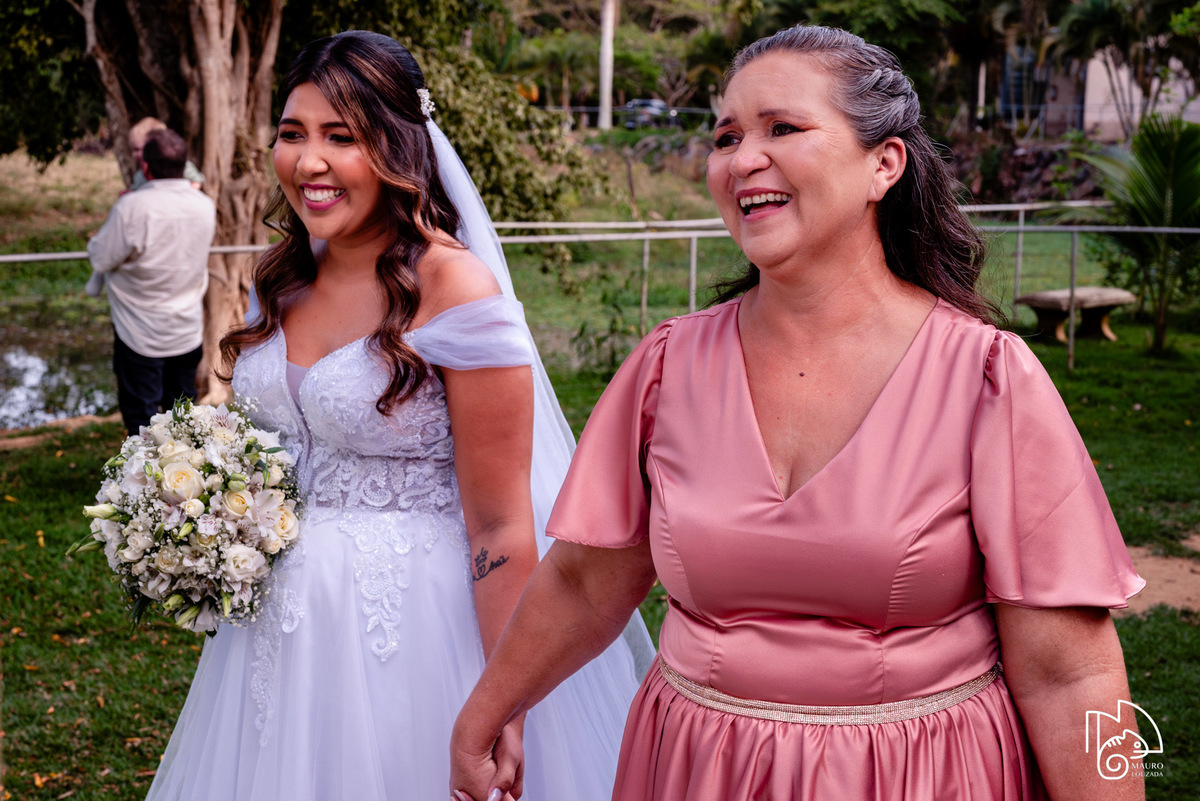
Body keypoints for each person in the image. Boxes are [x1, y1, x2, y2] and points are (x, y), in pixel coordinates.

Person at [451, 25, 1147, 801]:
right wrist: (486, 712)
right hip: (697, 770)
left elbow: (1073, 673)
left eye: (782, 128)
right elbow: (586, 583)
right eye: (726, 136)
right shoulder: (667, 368)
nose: (742, 159)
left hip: (920, 777)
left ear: (884, 164)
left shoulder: (984, 376)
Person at [142, 31, 651, 801]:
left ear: (396, 146)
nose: (308, 161)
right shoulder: (280, 280)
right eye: (292, 133)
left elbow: (499, 526)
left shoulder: (454, 285)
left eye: (340, 137)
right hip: (275, 638)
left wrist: (505, 699)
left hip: (414, 632)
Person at [86, 128, 216, 435]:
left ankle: (145, 480)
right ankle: (186, 477)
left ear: (146, 166)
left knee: (141, 421)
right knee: (182, 419)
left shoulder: (132, 208)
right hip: (186, 330)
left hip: (139, 335)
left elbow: (102, 258)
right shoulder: (204, 205)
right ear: (184, 165)